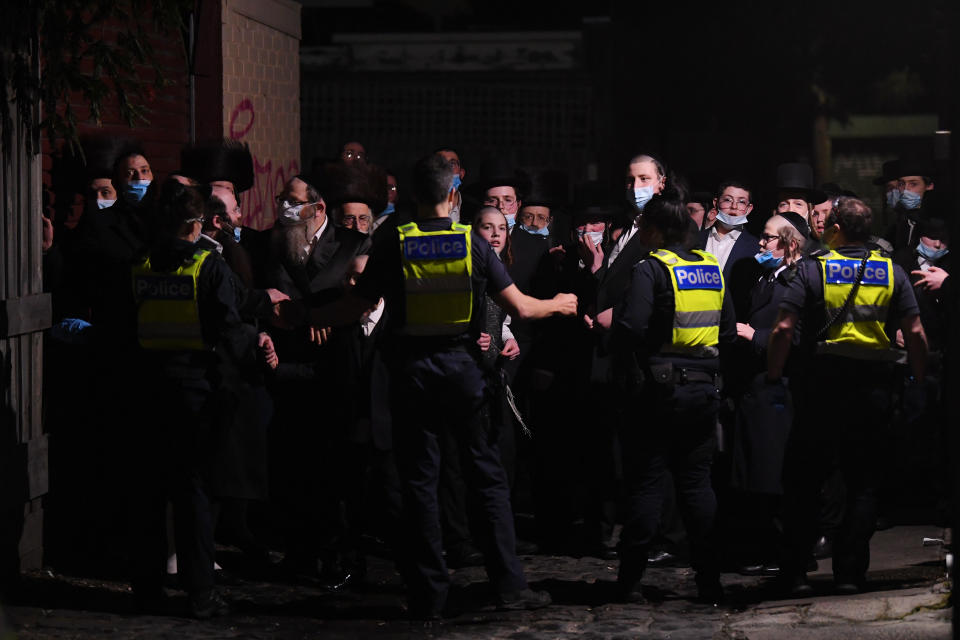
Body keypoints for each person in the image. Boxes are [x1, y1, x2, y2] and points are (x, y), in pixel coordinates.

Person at [309, 154, 577, 619]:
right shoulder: (472, 243)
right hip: (462, 371)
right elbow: (523, 309)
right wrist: (560, 303)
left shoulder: (395, 241)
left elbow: (356, 305)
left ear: (414, 197)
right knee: (487, 478)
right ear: (454, 195)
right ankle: (510, 588)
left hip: (411, 372)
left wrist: (303, 316)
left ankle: (428, 594)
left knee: (420, 483)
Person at [767, 197, 927, 596]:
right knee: (863, 483)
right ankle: (850, 575)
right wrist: (919, 379)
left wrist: (774, 374)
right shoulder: (891, 271)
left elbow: (784, 328)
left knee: (804, 481)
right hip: (873, 386)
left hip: (821, 384)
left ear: (835, 226)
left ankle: (796, 575)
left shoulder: (812, 269)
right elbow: (917, 332)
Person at [129, 179, 270, 618]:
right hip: (195, 392)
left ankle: (147, 590)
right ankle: (201, 593)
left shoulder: (140, 263)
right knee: (194, 494)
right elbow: (230, 331)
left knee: (151, 493)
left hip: (148, 391)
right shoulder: (208, 267)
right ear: (194, 225)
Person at [608, 189, 735, 605]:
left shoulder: (651, 269)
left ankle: (628, 582)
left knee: (647, 486)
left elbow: (631, 329)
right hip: (704, 390)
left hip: (657, 392)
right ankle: (710, 582)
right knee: (697, 486)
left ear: (659, 230)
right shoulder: (712, 268)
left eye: (645, 226)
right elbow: (729, 333)